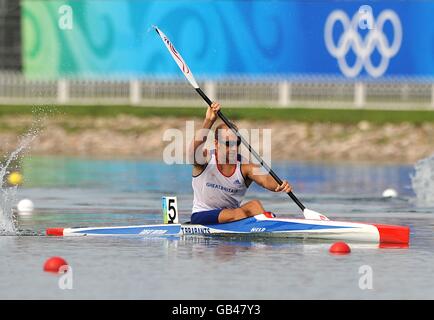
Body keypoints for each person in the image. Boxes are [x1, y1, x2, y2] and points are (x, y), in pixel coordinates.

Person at [189, 101, 293, 225]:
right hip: (202, 215)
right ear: (216, 144)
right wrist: (209, 121)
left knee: (255, 205)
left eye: (237, 143)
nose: (233, 148)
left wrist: (279, 185)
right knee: (238, 214)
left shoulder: (245, 166)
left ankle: (266, 233)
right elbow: (191, 154)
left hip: (233, 216)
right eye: (228, 144)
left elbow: (265, 180)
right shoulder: (205, 159)